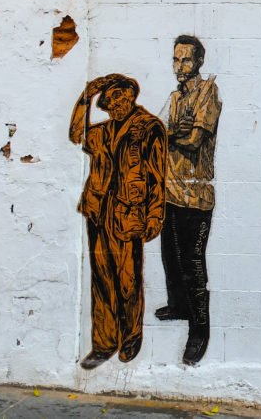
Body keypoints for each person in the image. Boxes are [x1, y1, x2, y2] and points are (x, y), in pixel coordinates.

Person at [68, 74, 166, 370]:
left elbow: (158, 176)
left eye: (121, 98)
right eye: (111, 101)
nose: (117, 105)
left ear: (131, 97)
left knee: (128, 281)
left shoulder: (148, 128)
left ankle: (131, 337)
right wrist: (85, 96)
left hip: (129, 212)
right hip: (98, 210)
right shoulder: (102, 132)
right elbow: (76, 135)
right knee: (102, 280)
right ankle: (104, 343)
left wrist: (155, 214)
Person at [155, 35, 222, 365]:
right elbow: (158, 135)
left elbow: (194, 140)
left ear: (198, 62)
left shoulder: (208, 92)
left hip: (196, 195)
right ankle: (178, 306)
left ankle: (200, 331)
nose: (179, 66)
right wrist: (170, 133)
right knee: (170, 255)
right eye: (175, 59)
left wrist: (171, 134)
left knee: (194, 265)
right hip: (170, 191)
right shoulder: (174, 97)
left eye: (185, 60)